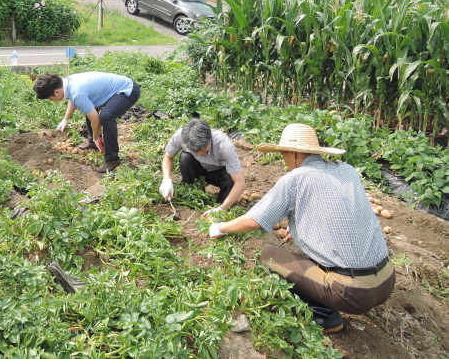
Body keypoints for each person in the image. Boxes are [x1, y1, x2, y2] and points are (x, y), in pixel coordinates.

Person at [208, 123, 395, 334]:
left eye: (285, 155)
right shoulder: (347, 171)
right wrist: (300, 226)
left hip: (352, 292)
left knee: (269, 255)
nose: (285, 161)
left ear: (294, 154)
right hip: (387, 280)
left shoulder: (296, 178)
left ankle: (323, 315)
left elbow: (254, 221)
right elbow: (341, 210)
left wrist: (220, 227)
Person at [33, 72, 140, 173]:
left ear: (57, 92)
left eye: (50, 98)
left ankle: (112, 159)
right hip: (116, 89)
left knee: (106, 117)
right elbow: (74, 99)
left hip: (128, 90)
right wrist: (65, 119)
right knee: (88, 108)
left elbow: (95, 120)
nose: (51, 101)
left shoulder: (77, 92)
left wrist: (96, 137)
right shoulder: (68, 83)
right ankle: (92, 143)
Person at [159, 119, 246, 211]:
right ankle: (192, 195)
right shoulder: (180, 136)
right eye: (195, 151)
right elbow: (168, 157)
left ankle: (220, 205)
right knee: (186, 158)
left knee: (231, 177)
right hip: (198, 168)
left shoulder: (223, 144)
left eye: (204, 149)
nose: (200, 153)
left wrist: (221, 209)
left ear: (210, 140)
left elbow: (240, 183)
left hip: (219, 172)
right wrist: (166, 179)